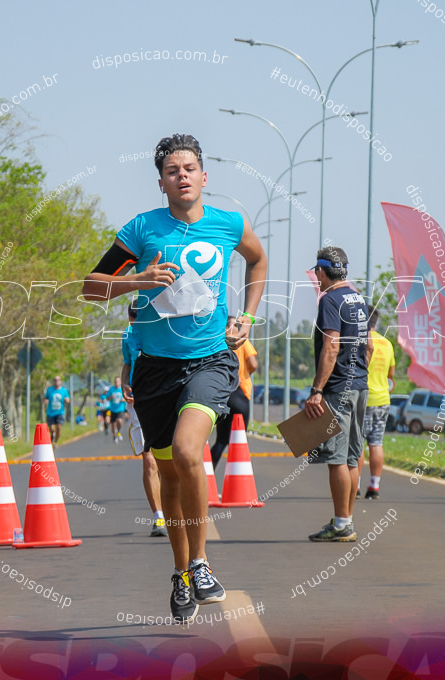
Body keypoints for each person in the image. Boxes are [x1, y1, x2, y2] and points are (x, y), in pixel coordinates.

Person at [82, 133, 267, 623]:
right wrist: (139, 280)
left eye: (189, 168)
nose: (181, 175)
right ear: (161, 182)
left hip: (210, 360)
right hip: (154, 369)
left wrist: (247, 316)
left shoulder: (229, 223)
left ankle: (202, 564)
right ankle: (182, 572)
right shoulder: (142, 230)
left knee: (189, 451)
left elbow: (259, 260)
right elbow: (91, 288)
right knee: (168, 476)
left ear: (205, 177)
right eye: (172, 170)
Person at [303, 247, 372, 542]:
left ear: (321, 272)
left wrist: (317, 390)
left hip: (338, 389)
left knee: (337, 458)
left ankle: (342, 524)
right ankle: (345, 520)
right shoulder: (359, 299)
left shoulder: (330, 299)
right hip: (360, 385)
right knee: (354, 457)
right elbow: (368, 346)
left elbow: (331, 346)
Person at [122, 302, 167, 537]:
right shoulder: (127, 336)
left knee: (169, 460)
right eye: (133, 315)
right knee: (149, 461)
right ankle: (158, 517)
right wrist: (123, 382)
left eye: (140, 315)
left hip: (162, 398)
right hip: (137, 403)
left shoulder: (163, 332)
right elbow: (127, 363)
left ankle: (175, 509)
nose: (135, 319)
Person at [209, 316, 258, 469]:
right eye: (235, 325)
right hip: (239, 392)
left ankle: (207, 476)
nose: (238, 329)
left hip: (222, 392)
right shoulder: (240, 341)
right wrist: (244, 373)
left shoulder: (217, 342)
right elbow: (253, 364)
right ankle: (239, 480)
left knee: (221, 440)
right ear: (230, 327)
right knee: (239, 439)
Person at [359, 306, 394, 500]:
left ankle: (354, 486)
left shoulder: (361, 341)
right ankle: (374, 486)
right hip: (383, 400)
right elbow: (392, 375)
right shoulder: (387, 344)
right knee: (376, 443)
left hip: (364, 400)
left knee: (358, 444)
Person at [43, 376, 71, 446]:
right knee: (52, 429)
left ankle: (55, 442)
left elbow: (68, 400)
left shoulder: (64, 390)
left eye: (58, 380)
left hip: (60, 412)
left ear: (61, 381)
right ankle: (52, 435)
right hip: (50, 413)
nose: (57, 381)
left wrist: (66, 400)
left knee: (59, 428)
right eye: (55, 380)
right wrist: (45, 403)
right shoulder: (49, 390)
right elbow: (46, 398)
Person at [105, 377, 128, 443]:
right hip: (112, 409)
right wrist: (111, 397)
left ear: (120, 382)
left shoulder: (122, 389)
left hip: (120, 409)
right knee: (113, 424)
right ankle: (114, 436)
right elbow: (107, 398)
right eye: (116, 381)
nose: (117, 383)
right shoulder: (111, 389)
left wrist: (123, 399)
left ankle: (119, 431)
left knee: (119, 421)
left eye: (118, 381)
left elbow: (127, 397)